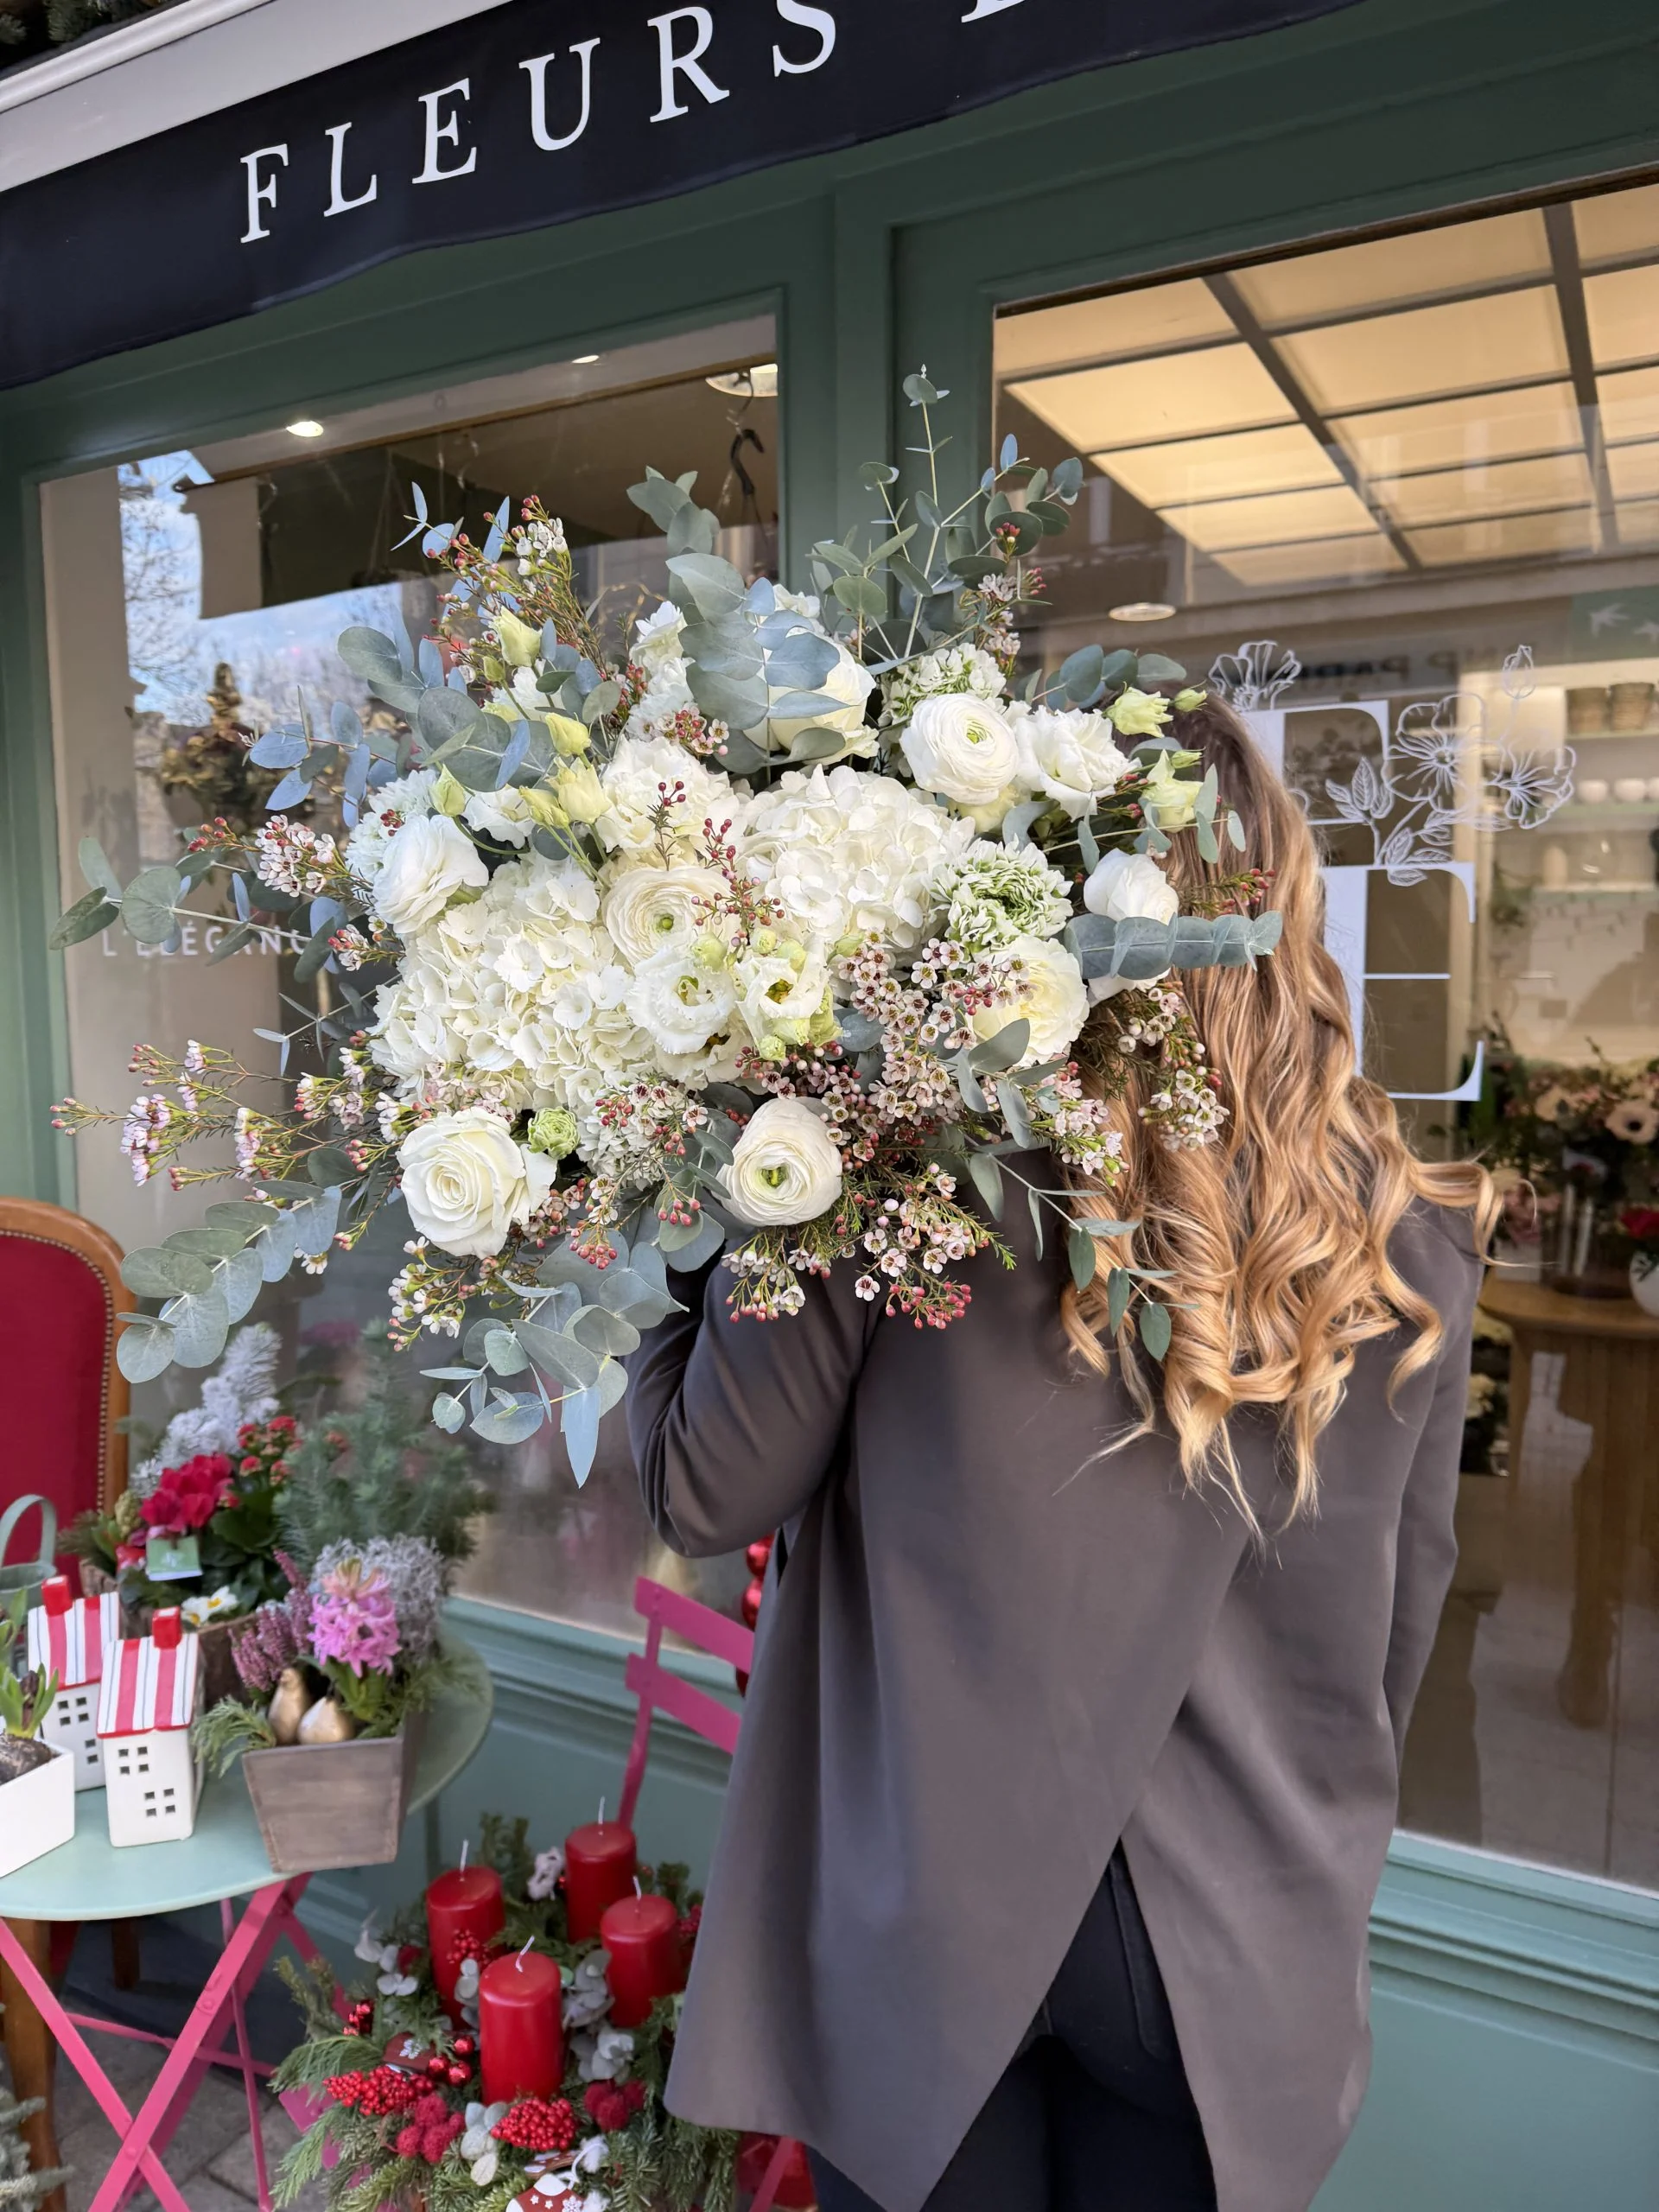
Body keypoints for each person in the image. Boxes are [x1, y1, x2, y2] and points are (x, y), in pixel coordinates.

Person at [628, 696, 1495, 2212]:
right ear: (1281, 908)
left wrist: (701, 1214)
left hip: (933, 1914)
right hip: (1224, 1940)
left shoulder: (907, 1173)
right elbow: (1397, 1637)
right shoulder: (1395, 1231)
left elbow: (709, 1488)